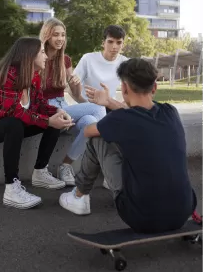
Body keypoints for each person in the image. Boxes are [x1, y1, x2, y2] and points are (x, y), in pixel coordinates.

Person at [59, 58, 197, 234]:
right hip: (183, 211)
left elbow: (87, 131)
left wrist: (106, 107)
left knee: (98, 139)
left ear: (123, 88)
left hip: (141, 216)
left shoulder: (121, 120)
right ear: (154, 88)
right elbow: (138, 118)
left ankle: (79, 196)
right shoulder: (171, 112)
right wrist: (110, 103)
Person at [0, 37, 74, 210]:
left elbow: (40, 105)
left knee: (55, 122)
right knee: (15, 124)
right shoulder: (6, 76)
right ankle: (11, 189)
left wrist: (56, 112)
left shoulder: (33, 77)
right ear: (29, 56)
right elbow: (14, 112)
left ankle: (40, 172)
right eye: (41, 52)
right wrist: (47, 119)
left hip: (11, 121)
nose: (46, 57)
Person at [39, 18, 106, 186]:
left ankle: (66, 165)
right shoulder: (38, 57)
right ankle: (106, 162)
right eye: (55, 35)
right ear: (46, 36)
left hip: (63, 105)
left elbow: (74, 93)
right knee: (99, 108)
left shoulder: (65, 60)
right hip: (46, 108)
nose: (60, 39)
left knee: (90, 122)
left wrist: (76, 85)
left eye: (63, 35)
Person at [73, 24, 128, 188]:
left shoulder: (126, 63)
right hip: (86, 105)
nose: (115, 47)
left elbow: (133, 93)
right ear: (103, 42)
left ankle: (112, 173)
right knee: (102, 123)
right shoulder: (88, 59)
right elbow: (74, 89)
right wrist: (77, 92)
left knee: (126, 121)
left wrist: (123, 105)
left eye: (119, 42)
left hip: (108, 105)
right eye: (111, 42)